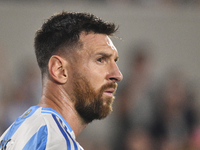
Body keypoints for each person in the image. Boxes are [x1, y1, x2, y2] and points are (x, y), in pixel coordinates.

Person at [0, 11, 123, 150]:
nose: (118, 75)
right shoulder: (56, 142)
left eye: (115, 61)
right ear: (59, 70)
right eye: (100, 59)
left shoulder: (17, 131)